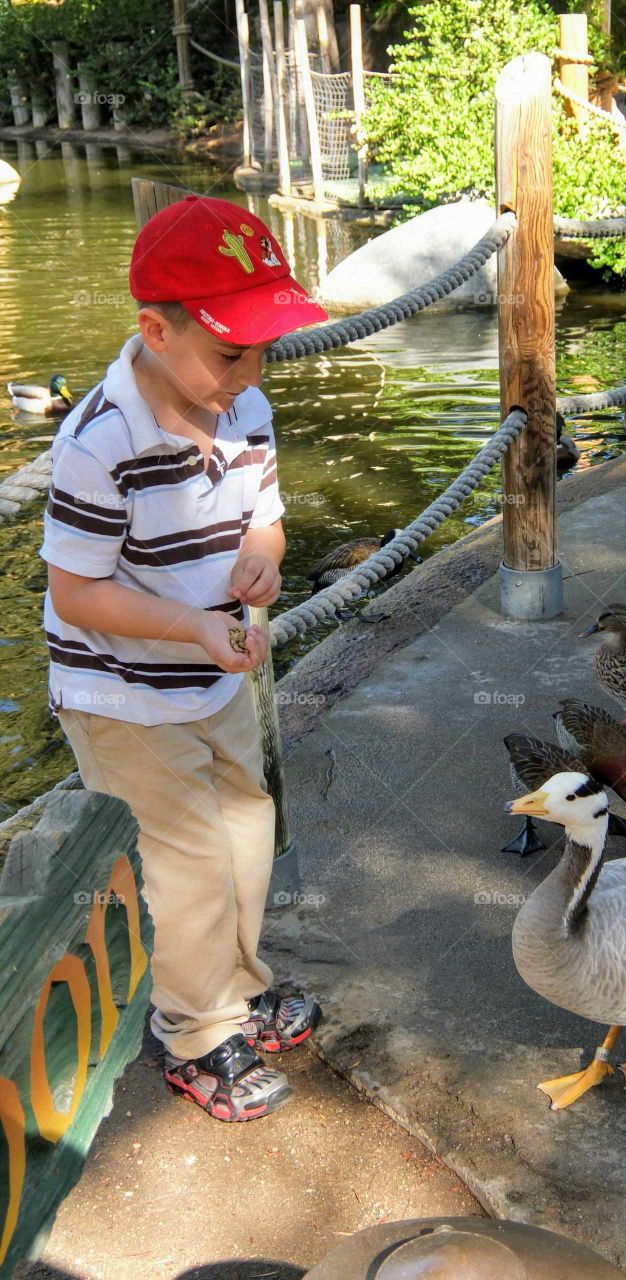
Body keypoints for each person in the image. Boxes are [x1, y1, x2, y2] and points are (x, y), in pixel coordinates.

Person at [41, 195, 328, 1122]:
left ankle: (238, 990)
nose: (250, 373)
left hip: (215, 666)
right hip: (121, 693)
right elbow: (75, 594)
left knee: (247, 827)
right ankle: (195, 1033)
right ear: (154, 331)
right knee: (185, 861)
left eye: (260, 350)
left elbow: (267, 520)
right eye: (231, 352)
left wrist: (265, 561)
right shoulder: (101, 442)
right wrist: (196, 627)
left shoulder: (245, 410)